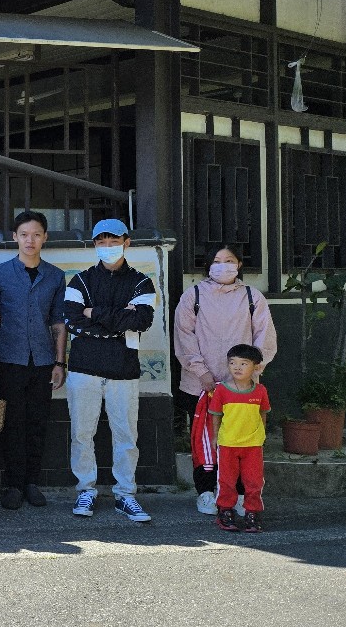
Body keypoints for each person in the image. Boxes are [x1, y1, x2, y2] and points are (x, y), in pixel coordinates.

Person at [63, 218, 156, 523]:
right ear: (94, 245)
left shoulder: (142, 282)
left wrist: (95, 313)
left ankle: (126, 494)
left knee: (126, 435)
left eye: (113, 241)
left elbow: (141, 321)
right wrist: (117, 322)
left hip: (123, 369)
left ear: (126, 242)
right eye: (101, 242)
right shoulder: (80, 281)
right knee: (81, 433)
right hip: (83, 368)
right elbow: (72, 320)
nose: (107, 247)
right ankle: (85, 489)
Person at [172, 245, 277, 515]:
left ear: (239, 264)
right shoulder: (193, 295)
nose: (223, 265)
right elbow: (184, 336)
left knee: (241, 439)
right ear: (207, 265)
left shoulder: (252, 296)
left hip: (242, 388)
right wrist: (202, 372)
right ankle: (207, 492)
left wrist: (250, 371)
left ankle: (240, 494)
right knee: (205, 441)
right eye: (217, 261)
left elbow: (264, 337)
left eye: (229, 260)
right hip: (201, 385)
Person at [0, 211, 67, 511]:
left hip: (42, 360)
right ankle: (14, 485)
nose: (30, 240)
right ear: (15, 237)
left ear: (45, 237)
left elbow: (58, 322)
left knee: (37, 422)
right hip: (8, 359)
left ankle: (32, 482)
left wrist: (60, 363)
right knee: (13, 422)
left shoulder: (55, 276)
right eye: (24, 234)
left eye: (36, 234)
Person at [208, 344, 270, 533]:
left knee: (254, 481)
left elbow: (263, 414)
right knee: (226, 480)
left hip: (253, 445)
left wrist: (261, 435)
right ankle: (225, 511)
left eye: (243, 363)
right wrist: (215, 437)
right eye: (232, 363)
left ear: (256, 367)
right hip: (228, 443)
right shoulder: (221, 390)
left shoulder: (260, 391)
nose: (237, 367)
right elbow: (216, 415)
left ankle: (252, 513)